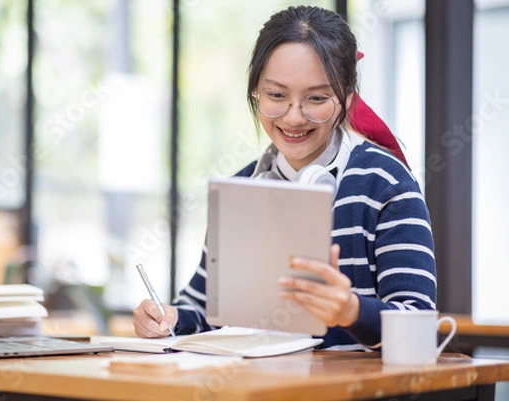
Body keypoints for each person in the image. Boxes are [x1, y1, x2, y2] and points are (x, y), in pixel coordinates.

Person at [132, 5, 436, 350]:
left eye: (317, 98)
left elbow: (420, 330)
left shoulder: (385, 184)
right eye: (276, 95)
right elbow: (206, 309)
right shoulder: (242, 187)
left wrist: (351, 311)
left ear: (347, 96)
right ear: (256, 92)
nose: (293, 118)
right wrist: (168, 318)